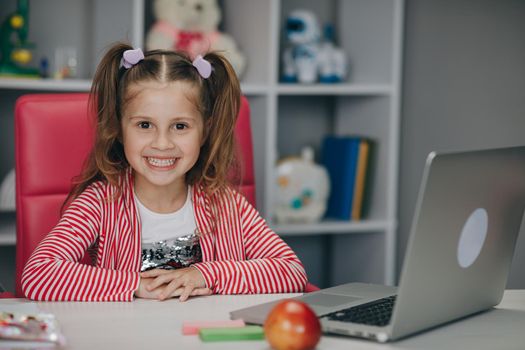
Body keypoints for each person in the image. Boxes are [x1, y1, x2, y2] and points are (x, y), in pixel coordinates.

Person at [21, 42, 307, 302]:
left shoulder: (226, 204)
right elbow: (38, 275)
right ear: (120, 129)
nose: (162, 144)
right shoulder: (99, 204)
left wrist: (206, 274)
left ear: (204, 132)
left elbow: (291, 271)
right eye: (144, 125)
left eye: (180, 126)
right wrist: (133, 284)